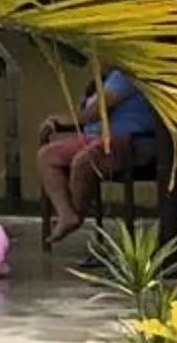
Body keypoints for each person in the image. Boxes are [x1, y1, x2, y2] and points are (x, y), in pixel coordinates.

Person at [37, 68, 159, 246]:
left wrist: (64, 120)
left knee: (84, 161)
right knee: (47, 156)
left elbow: (97, 111)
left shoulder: (127, 76)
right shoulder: (103, 79)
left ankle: (77, 213)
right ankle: (66, 214)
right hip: (93, 137)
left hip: (128, 141)